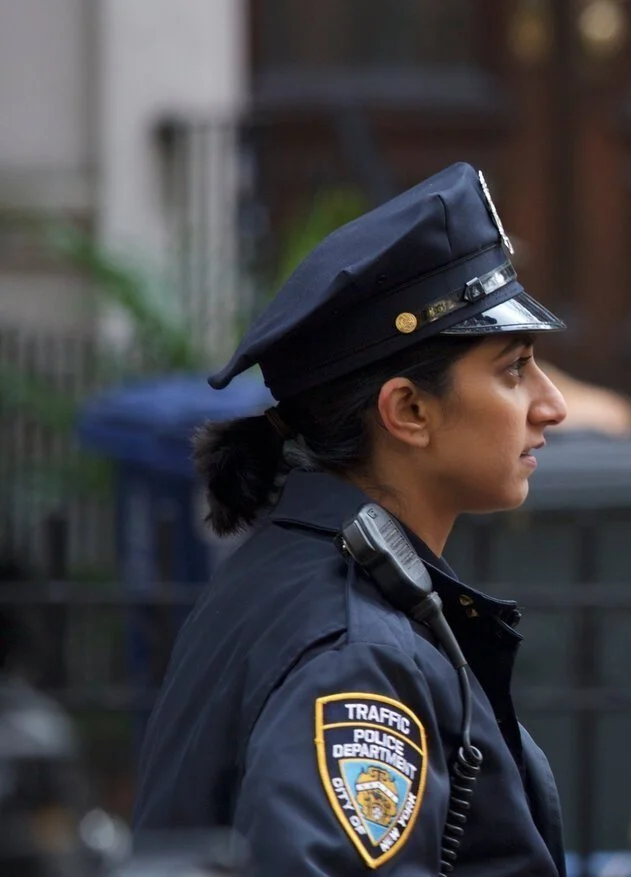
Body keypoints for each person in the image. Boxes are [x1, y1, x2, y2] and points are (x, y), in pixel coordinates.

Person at [131, 162, 571, 874]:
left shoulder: (299, 576)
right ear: (408, 411)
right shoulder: (355, 651)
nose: (552, 405)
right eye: (514, 369)